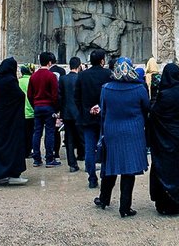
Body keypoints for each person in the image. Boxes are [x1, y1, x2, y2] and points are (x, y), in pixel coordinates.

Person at [94, 57, 149, 218]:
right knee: (128, 170)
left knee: (110, 165)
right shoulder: (139, 88)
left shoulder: (106, 88)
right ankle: (125, 207)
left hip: (112, 130)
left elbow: (103, 110)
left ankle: (104, 199)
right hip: (133, 131)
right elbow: (146, 108)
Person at [148, 63, 179, 215]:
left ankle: (163, 202)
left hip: (163, 138)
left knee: (163, 168)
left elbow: (155, 114)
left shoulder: (164, 94)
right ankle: (177, 201)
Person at [0, 57, 28, 185]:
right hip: (8, 119)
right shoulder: (10, 80)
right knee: (11, 145)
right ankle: (10, 172)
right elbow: (20, 96)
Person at [76, 49, 112, 188]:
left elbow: (77, 97)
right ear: (102, 60)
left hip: (87, 117)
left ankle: (92, 178)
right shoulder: (108, 74)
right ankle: (104, 174)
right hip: (105, 117)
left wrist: (86, 110)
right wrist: (101, 108)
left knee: (89, 149)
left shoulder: (82, 76)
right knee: (106, 146)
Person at [28, 51, 61, 168]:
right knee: (50, 132)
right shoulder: (51, 76)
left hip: (37, 106)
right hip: (49, 107)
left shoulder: (33, 76)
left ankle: (36, 158)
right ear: (49, 62)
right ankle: (49, 158)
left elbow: (29, 94)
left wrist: (34, 105)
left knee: (37, 132)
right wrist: (56, 109)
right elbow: (55, 94)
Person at [59, 57, 84, 172]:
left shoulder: (63, 79)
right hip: (78, 112)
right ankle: (84, 157)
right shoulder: (81, 78)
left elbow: (60, 96)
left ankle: (72, 164)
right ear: (79, 66)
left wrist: (60, 111)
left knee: (69, 139)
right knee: (82, 137)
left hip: (67, 112)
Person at [18, 65, 34, 158]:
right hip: (31, 110)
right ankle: (29, 150)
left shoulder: (18, 81)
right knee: (30, 133)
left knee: (22, 132)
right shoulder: (32, 81)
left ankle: (22, 150)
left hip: (21, 111)